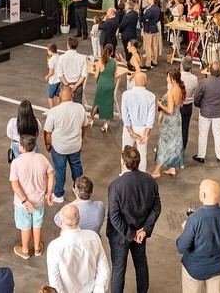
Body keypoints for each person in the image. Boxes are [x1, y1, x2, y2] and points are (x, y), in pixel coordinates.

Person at [107, 146, 162, 293]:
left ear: (123, 162)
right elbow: (157, 205)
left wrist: (131, 234)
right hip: (141, 232)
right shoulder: (149, 180)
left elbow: (114, 216)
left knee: (119, 268)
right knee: (141, 264)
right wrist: (144, 230)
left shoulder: (115, 186)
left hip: (121, 235)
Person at [176, 179, 220, 292]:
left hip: (194, 268)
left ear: (202, 195)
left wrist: (184, 230)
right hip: (217, 267)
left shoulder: (194, 219)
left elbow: (182, 247)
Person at [9, 135, 55, 260]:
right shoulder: (42, 158)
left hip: (22, 203)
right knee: (37, 223)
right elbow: (51, 174)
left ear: (22, 146)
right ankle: (37, 248)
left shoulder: (16, 162)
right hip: (39, 199)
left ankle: (24, 250)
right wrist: (49, 192)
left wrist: (24, 199)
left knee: (25, 226)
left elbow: (15, 184)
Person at [47, 204, 110, 293]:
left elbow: (54, 280)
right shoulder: (93, 237)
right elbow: (104, 268)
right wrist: (98, 290)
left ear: (61, 222)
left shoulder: (54, 246)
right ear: (79, 219)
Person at [44, 85, 88, 204]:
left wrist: (48, 144)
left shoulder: (54, 111)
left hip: (59, 147)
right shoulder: (80, 108)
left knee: (60, 171)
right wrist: (81, 138)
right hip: (75, 146)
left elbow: (48, 131)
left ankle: (58, 194)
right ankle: (79, 191)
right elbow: (84, 125)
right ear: (72, 95)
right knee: (77, 168)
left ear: (59, 96)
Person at [193, 62, 220, 163]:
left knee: (203, 133)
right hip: (219, 111)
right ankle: (219, 156)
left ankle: (201, 155)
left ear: (210, 71)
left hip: (205, 110)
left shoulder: (204, 82)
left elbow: (197, 97)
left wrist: (198, 105)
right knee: (218, 133)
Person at [153, 69, 186, 178]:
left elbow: (170, 110)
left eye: (168, 77)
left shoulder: (171, 92)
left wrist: (159, 104)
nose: (166, 78)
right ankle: (173, 168)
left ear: (172, 79)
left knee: (163, 144)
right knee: (175, 143)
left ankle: (157, 170)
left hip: (169, 121)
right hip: (177, 119)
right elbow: (179, 105)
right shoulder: (179, 90)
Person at [121, 71, 156, 172]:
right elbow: (151, 117)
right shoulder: (151, 96)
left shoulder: (126, 95)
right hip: (143, 129)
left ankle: (125, 176)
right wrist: (146, 133)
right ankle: (142, 178)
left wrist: (131, 132)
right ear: (145, 81)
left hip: (129, 128)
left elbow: (125, 115)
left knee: (125, 155)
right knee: (142, 155)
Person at [90, 44, 117, 133]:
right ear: (112, 52)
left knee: (97, 103)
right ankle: (105, 123)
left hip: (101, 84)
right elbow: (114, 73)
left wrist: (98, 80)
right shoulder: (114, 61)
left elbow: (96, 75)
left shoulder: (100, 62)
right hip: (110, 85)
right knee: (108, 104)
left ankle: (91, 119)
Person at [57, 37, 88, 104]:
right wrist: (76, 85)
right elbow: (83, 75)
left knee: (64, 105)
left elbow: (60, 74)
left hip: (65, 85)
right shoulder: (82, 58)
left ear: (68, 45)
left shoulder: (61, 58)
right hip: (77, 84)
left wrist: (67, 85)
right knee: (77, 106)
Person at [180, 57, 199, 151]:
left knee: (174, 127)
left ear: (181, 65)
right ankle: (182, 148)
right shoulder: (194, 78)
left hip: (177, 105)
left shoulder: (177, 76)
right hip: (188, 105)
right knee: (185, 127)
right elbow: (195, 90)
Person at [141, 0, 162, 69]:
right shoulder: (158, 8)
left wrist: (145, 20)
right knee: (154, 46)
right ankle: (154, 61)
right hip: (154, 28)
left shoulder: (150, 9)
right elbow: (159, 18)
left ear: (152, 0)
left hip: (148, 29)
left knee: (148, 47)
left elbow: (143, 18)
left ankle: (148, 63)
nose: (148, 0)